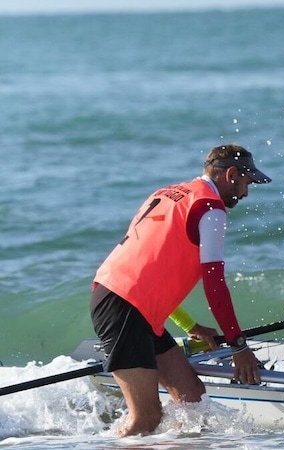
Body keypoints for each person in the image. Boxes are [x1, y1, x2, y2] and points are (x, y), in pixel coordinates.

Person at [90, 143, 270, 436]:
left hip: (129, 302)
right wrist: (239, 347)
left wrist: (190, 325)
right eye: (246, 183)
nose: (245, 193)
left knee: (193, 405)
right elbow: (215, 286)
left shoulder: (168, 194)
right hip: (124, 307)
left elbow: (149, 270)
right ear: (232, 175)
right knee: (146, 418)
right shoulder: (210, 208)